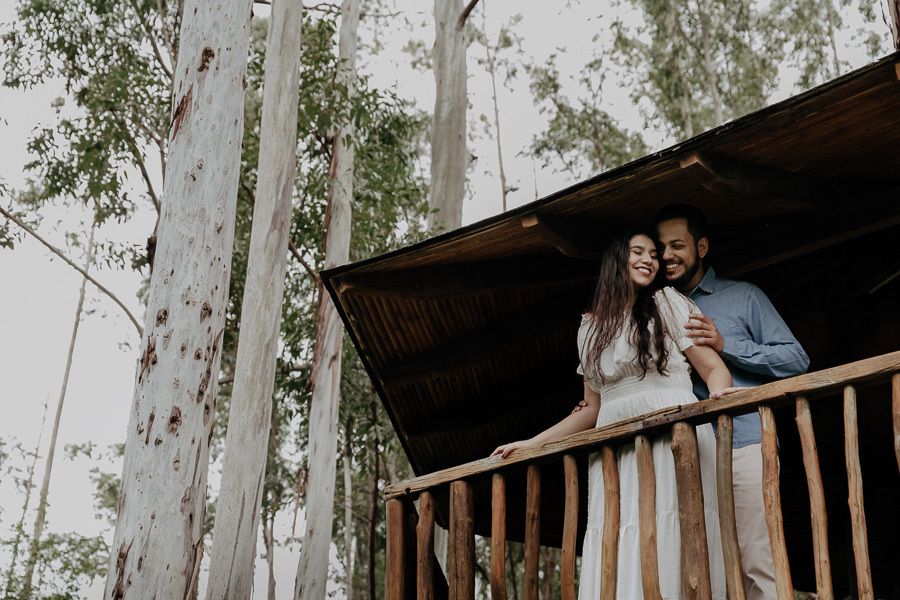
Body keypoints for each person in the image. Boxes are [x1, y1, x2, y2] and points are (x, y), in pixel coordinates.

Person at [491, 227, 735, 600]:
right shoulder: (589, 327)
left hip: (673, 436)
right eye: (638, 251)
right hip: (613, 447)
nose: (649, 260)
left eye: (653, 255)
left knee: (672, 525)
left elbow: (714, 370)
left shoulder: (668, 302)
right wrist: (531, 442)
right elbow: (592, 407)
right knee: (620, 533)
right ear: (615, 260)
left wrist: (716, 401)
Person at [654, 204, 810, 600]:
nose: (667, 255)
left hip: (743, 442)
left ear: (701, 247)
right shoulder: (650, 309)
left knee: (757, 560)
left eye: (678, 245)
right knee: (701, 567)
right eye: (661, 247)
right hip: (681, 454)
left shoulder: (743, 297)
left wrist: (726, 345)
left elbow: (796, 360)